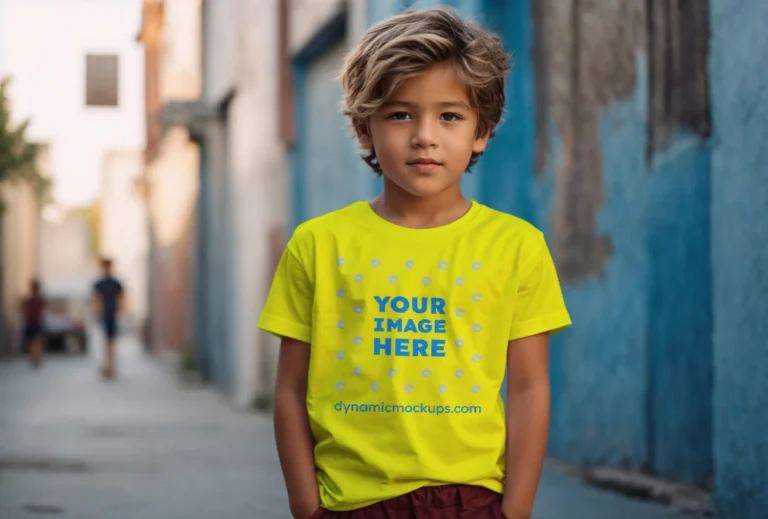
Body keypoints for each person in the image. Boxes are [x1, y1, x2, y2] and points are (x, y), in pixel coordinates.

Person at [259, 7, 572, 519]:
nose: (425, 135)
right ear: (365, 129)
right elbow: (291, 389)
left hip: (472, 499)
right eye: (401, 114)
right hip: (352, 501)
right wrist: (305, 505)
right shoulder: (318, 244)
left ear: (482, 132)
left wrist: (514, 510)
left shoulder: (517, 246)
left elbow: (529, 386)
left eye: (450, 116)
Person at [92, 257, 124, 380]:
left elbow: (121, 298)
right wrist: (97, 312)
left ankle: (110, 367)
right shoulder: (100, 283)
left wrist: (121, 311)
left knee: (110, 342)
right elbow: (96, 299)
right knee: (107, 342)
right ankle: (108, 366)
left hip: (111, 314)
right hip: (106, 314)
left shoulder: (115, 283)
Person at [21, 279, 46, 367]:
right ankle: (34, 358)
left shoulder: (38, 300)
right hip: (32, 323)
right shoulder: (29, 300)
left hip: (35, 323)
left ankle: (36, 358)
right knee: (33, 342)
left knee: (36, 342)